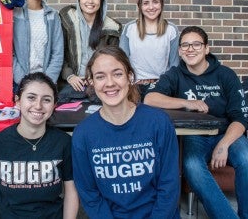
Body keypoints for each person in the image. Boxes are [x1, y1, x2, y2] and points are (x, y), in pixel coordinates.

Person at [144, 26, 248, 219]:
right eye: (185, 45)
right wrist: (187, 102)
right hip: (193, 135)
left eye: (196, 44)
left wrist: (224, 144)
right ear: (179, 51)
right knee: (192, 165)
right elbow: (150, 99)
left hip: (228, 133)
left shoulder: (226, 75)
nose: (190, 49)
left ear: (206, 49)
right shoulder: (175, 74)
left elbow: (241, 118)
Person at [71, 46, 180, 218]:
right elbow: (90, 194)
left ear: (130, 77)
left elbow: (169, 185)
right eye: (100, 76)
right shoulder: (83, 134)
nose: (109, 83)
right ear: (91, 82)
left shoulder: (158, 122)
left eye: (117, 74)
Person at [0, 72, 79, 219]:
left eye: (46, 100)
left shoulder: (64, 143)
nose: (38, 105)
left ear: (54, 105)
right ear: (17, 101)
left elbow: (71, 192)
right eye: (31, 97)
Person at [58, 0, 122, 103]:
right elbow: (61, 52)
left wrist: (97, 77)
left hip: (99, 82)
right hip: (74, 81)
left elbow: (113, 60)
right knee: (61, 101)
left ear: (101, 1)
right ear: (79, 0)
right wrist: (70, 76)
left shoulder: (112, 28)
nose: (90, 1)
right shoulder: (68, 21)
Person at [119, 0, 180, 100]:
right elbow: (122, 61)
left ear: (161, 4)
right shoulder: (129, 28)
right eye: (146, 3)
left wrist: (165, 85)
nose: (151, 7)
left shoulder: (171, 30)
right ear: (140, 7)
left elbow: (174, 65)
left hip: (161, 86)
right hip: (134, 86)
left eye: (155, 2)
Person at [12, 0, 64, 91]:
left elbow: (58, 52)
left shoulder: (53, 16)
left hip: (46, 82)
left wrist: (48, 82)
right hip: (19, 82)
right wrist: (22, 80)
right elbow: (9, 52)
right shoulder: (15, 13)